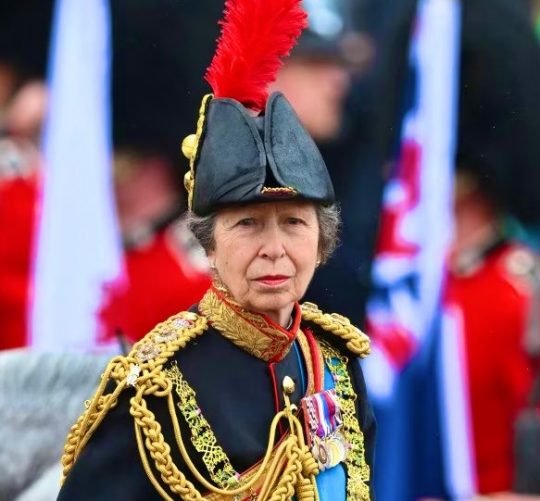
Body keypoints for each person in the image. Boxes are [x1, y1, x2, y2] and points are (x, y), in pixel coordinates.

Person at [57, 1, 376, 500]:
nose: (274, 249)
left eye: (294, 224)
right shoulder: (156, 387)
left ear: (322, 241)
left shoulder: (336, 366)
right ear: (207, 242)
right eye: (248, 225)